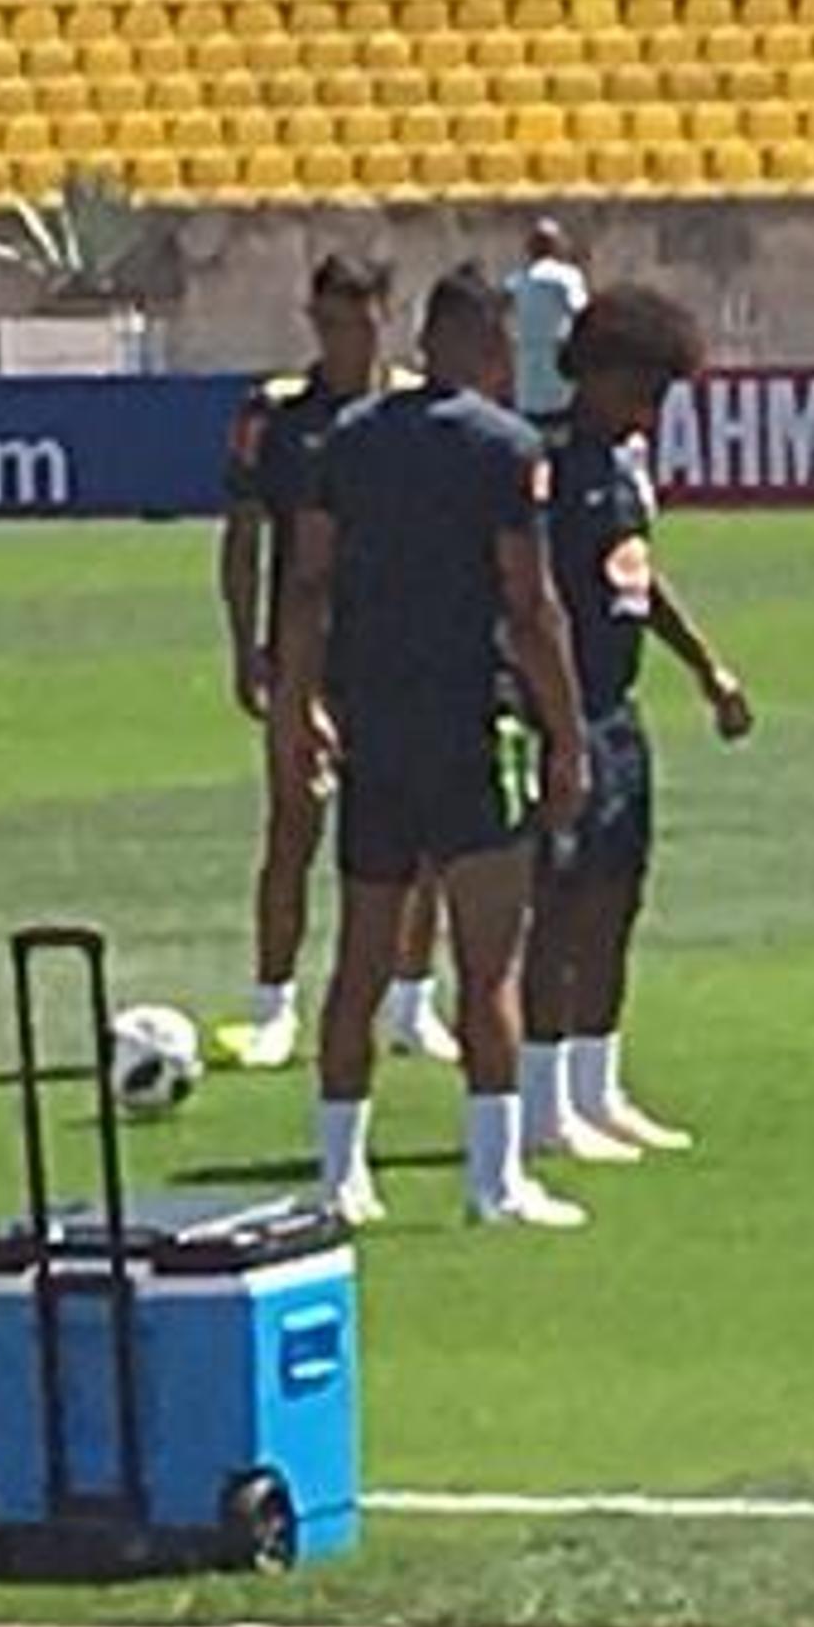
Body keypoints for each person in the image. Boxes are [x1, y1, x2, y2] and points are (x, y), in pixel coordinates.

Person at [273, 266, 593, 1230]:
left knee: (363, 955)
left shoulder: (351, 441)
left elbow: (307, 583)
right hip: (466, 722)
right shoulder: (504, 447)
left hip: (376, 724)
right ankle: (492, 1181)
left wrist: (297, 707)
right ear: (487, 345)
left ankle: (341, 1173)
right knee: (487, 960)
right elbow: (531, 607)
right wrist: (569, 736)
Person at [523, 284, 754, 1165]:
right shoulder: (546, 468)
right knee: (560, 911)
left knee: (618, 900)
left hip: (621, 713)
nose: (652, 412)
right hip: (562, 715)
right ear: (598, 375)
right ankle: (544, 1103)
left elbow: (639, 581)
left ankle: (598, 1086)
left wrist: (707, 668)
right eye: (644, 390)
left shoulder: (624, 468)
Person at [216, 254, 452, 1072]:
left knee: (421, 840)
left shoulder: (422, 412)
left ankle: (411, 1000)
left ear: (386, 318)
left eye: (355, 322)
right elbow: (246, 535)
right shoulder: (276, 414)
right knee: (293, 826)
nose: (341, 339)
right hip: (306, 654)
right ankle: (273, 1002)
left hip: (401, 652)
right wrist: (248, 646)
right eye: (326, 324)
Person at [510, 217, 590, 427]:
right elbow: (581, 311)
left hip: (526, 375)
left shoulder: (516, 282)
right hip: (560, 370)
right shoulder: (566, 277)